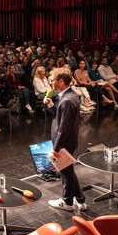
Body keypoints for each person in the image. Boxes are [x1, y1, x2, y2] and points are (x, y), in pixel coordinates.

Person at [44, 68, 87, 211]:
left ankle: (67, 202)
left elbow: (63, 128)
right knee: (69, 171)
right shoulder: (69, 95)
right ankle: (80, 200)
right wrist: (51, 105)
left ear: (61, 81)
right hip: (67, 141)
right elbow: (60, 116)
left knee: (65, 173)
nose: (51, 83)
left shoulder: (67, 100)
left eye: (53, 80)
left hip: (64, 143)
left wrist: (56, 149)